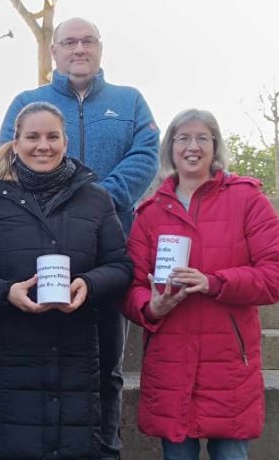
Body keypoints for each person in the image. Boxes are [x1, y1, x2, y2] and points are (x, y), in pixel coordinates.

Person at [0, 17, 160, 458]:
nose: (79, 49)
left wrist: (95, 200)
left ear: (100, 48)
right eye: (69, 42)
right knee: (38, 364)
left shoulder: (130, 101)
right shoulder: (28, 101)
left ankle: (104, 448)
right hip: (37, 249)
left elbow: (147, 154)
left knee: (106, 364)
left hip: (107, 252)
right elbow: (8, 157)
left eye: (87, 41)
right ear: (54, 52)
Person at [0, 101, 133, 459]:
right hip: (5, 359)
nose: (42, 145)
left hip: (74, 359)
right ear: (15, 142)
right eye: (32, 136)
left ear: (65, 142)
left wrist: (88, 285)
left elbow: (120, 266)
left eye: (52, 136)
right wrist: (4, 292)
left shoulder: (95, 198)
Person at [121, 109, 279, 460]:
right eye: (183, 138)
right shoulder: (149, 213)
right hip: (171, 363)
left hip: (228, 366)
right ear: (170, 147)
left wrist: (214, 282)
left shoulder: (248, 201)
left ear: (215, 146)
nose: (192, 146)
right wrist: (152, 306)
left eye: (202, 138)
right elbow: (131, 286)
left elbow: (274, 274)